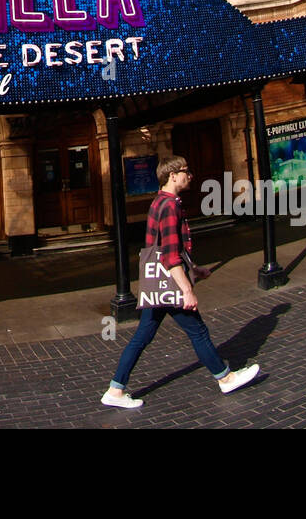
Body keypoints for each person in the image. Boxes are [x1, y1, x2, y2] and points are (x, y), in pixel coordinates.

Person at [102, 156, 260, 408]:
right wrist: (187, 290)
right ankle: (225, 377)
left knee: (141, 338)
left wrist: (195, 269)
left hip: (158, 285)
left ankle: (115, 390)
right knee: (197, 331)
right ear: (172, 175)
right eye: (186, 171)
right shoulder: (169, 206)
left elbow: (165, 247)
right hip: (169, 284)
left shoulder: (159, 202)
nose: (190, 175)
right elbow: (169, 255)